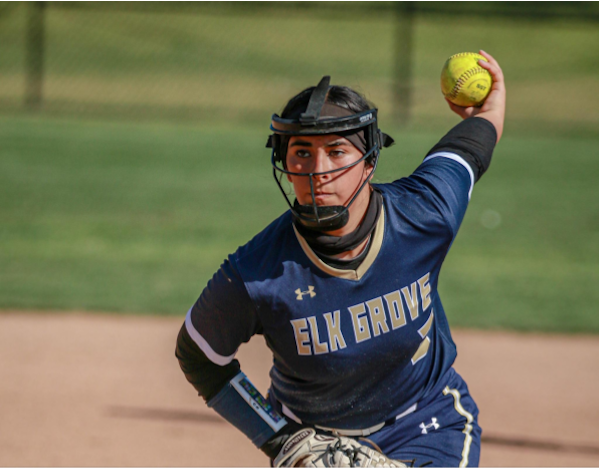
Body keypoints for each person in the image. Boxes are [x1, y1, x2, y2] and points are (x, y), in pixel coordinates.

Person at [176, 50, 506, 468]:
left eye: (336, 151)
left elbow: (467, 149)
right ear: (284, 164)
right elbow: (199, 354)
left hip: (429, 424)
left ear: (369, 160)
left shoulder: (424, 214)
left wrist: (492, 106)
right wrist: (280, 440)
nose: (318, 171)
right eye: (301, 153)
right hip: (317, 446)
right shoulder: (258, 273)